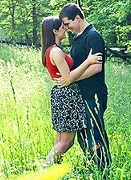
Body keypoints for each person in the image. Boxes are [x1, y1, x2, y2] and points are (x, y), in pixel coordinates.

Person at [41, 16, 102, 167]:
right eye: (62, 27)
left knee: (60, 141)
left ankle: (50, 173)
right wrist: (88, 61)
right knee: (66, 143)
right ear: (55, 31)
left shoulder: (51, 50)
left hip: (61, 94)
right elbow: (68, 78)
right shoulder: (55, 52)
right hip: (66, 95)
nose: (65, 29)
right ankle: (43, 171)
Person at [58, 3, 111, 174]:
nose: (66, 28)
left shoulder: (93, 37)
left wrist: (70, 78)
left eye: (67, 23)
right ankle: (91, 169)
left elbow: (96, 67)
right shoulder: (78, 37)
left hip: (93, 94)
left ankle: (104, 173)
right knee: (83, 136)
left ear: (78, 18)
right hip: (79, 95)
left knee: (95, 135)